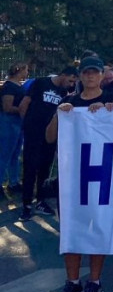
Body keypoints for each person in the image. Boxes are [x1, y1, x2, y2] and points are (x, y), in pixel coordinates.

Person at [50, 56, 113, 292]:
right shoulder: (70, 102)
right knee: (71, 227)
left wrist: (110, 112)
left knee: (97, 226)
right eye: (86, 72)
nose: (90, 76)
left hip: (99, 175)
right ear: (80, 75)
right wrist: (60, 115)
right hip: (72, 177)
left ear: (101, 75)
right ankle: (72, 282)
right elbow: (49, 137)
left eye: (94, 72)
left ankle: (94, 281)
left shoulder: (111, 100)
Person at [19, 65, 77, 221]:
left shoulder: (64, 93)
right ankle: (26, 205)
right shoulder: (41, 82)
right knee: (30, 168)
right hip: (33, 133)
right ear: (63, 74)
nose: (71, 84)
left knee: (44, 169)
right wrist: (27, 125)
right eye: (71, 80)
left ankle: (40, 201)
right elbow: (25, 103)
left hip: (50, 135)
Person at [1, 63, 28, 194]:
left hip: (18, 123)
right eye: (26, 70)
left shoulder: (19, 85)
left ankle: (14, 182)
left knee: (15, 154)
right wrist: (22, 109)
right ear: (20, 70)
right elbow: (7, 107)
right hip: (8, 122)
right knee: (4, 154)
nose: (27, 72)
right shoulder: (9, 87)